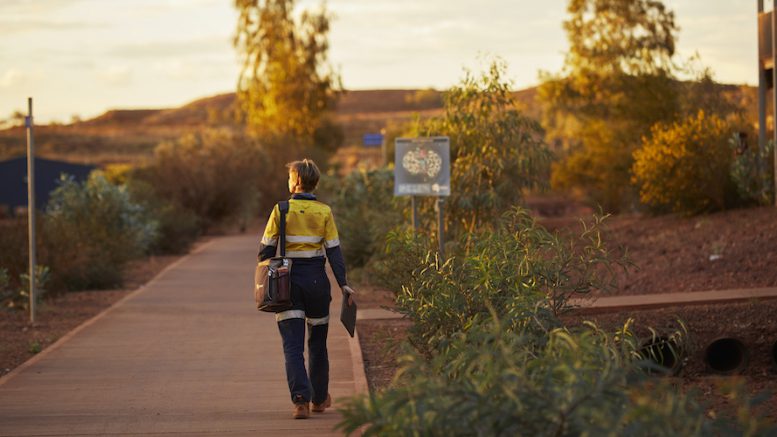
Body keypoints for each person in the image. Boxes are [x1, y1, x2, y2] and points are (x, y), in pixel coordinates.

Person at [258, 158, 355, 420]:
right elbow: (334, 251)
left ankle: (300, 401)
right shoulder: (324, 212)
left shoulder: (281, 210)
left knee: (292, 346)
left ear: (297, 181)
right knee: (318, 343)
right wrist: (343, 283)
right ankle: (320, 399)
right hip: (317, 282)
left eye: (290, 176)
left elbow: (264, 251)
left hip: (287, 283)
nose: (288, 180)